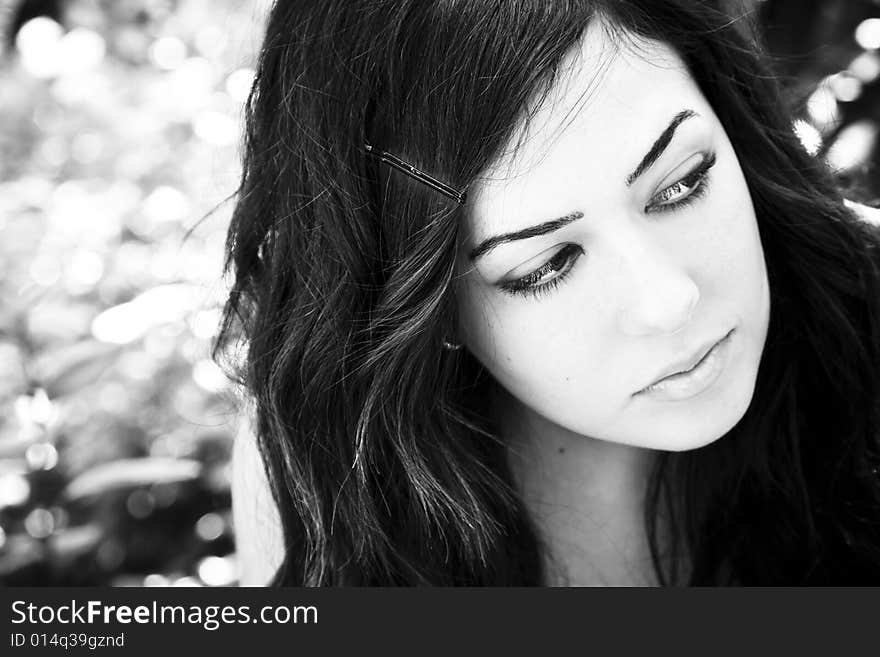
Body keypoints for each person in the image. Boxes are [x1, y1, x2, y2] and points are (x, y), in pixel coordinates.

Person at [216, 0, 880, 586]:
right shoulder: (333, 482)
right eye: (547, 265)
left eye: (682, 183)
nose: (668, 299)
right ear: (428, 305)